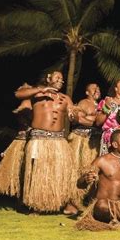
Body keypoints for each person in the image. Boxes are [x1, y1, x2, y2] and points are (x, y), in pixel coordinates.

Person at [15, 71, 78, 214]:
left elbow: (73, 114)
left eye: (62, 78)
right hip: (39, 139)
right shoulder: (37, 94)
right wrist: (41, 89)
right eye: (57, 77)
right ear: (49, 78)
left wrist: (73, 115)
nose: (60, 80)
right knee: (38, 172)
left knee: (62, 171)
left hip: (59, 140)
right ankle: (36, 205)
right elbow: (18, 94)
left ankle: (63, 202)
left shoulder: (65, 98)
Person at [0, 83, 32, 198]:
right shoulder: (26, 103)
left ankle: (22, 195)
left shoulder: (29, 103)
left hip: (24, 139)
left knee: (23, 170)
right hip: (24, 140)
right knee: (23, 170)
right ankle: (22, 196)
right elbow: (26, 120)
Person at [96, 80, 120, 155]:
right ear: (116, 88)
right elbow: (98, 122)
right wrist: (106, 108)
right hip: (110, 137)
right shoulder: (107, 101)